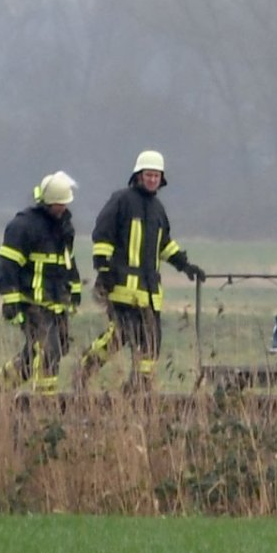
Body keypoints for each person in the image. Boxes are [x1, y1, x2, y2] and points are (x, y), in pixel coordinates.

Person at [76, 150, 206, 393]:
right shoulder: (121, 201)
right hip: (122, 288)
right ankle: (84, 369)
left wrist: (185, 265)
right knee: (121, 335)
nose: (152, 179)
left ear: (161, 179)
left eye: (156, 176)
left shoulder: (157, 209)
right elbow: (102, 235)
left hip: (149, 292)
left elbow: (164, 244)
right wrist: (104, 270)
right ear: (138, 176)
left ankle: (139, 387)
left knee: (152, 341)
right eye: (149, 175)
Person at [0, 172, 82, 396]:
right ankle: (44, 405)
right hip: (32, 304)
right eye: (60, 204)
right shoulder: (23, 226)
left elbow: (69, 262)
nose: (63, 208)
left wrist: (74, 292)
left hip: (57, 304)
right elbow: (5, 266)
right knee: (48, 352)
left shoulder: (65, 227)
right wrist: (12, 302)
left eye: (66, 204)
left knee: (44, 352)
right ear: (49, 203)